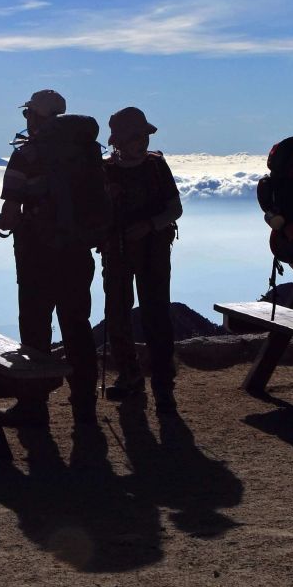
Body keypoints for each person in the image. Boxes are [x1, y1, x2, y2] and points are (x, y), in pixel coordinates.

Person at [0, 89, 104, 428]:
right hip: (77, 252)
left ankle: (33, 405)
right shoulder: (88, 154)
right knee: (77, 325)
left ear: (38, 117)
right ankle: (83, 406)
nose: (26, 120)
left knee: (35, 327)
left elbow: (11, 211)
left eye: (29, 115)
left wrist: (4, 223)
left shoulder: (27, 155)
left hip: (36, 253)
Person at [100, 107, 183, 411]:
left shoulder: (156, 167)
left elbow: (175, 209)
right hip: (121, 251)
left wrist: (148, 226)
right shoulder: (105, 170)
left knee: (156, 313)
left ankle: (161, 379)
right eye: (137, 136)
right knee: (118, 314)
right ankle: (131, 375)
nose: (143, 142)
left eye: (145, 136)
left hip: (151, 250)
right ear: (119, 139)